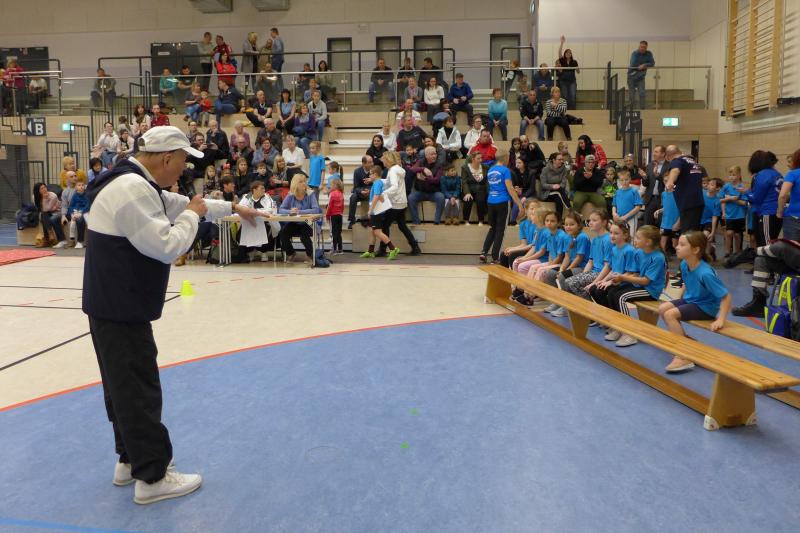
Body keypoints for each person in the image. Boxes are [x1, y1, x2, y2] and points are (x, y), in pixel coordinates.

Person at [82, 126, 260, 504]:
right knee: (138, 390)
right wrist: (193, 216)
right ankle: (153, 476)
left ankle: (130, 460)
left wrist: (233, 208)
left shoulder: (133, 181)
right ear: (166, 158)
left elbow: (181, 204)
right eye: (182, 162)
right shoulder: (132, 190)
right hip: (121, 307)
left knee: (121, 388)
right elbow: (168, 244)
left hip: (111, 303)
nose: (184, 171)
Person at [658, 231, 731, 372]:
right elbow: (687, 283)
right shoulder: (685, 264)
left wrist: (720, 319)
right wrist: (678, 299)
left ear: (695, 250)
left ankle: (683, 355)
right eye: (678, 244)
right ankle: (688, 343)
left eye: (682, 245)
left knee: (670, 314)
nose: (677, 247)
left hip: (706, 307)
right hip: (691, 300)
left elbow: (726, 297)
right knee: (663, 308)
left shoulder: (705, 273)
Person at [597, 225, 666, 347]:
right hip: (639, 286)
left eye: (638, 238)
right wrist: (617, 279)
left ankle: (629, 333)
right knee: (612, 292)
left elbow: (646, 281)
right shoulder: (639, 252)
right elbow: (636, 272)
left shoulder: (658, 257)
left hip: (650, 290)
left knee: (621, 297)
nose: (635, 239)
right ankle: (618, 327)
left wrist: (623, 278)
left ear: (648, 242)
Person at [557, 209, 613, 311]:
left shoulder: (608, 239)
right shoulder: (595, 239)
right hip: (593, 272)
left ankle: (590, 310)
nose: (590, 223)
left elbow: (607, 266)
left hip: (602, 274)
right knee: (569, 281)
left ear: (604, 222)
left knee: (571, 282)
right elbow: (590, 261)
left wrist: (594, 282)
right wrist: (583, 275)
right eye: (589, 220)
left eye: (594, 220)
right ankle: (576, 308)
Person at [479, 150, 524, 263]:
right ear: (505, 158)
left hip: (491, 201)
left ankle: (483, 252)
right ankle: (495, 257)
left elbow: (497, 186)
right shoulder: (505, 170)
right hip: (503, 202)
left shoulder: (491, 170)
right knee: (500, 230)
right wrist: (519, 204)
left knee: (492, 228)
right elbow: (509, 188)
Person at [278, 173, 320, 262]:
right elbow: (281, 210)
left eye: (304, 181)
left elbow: (316, 210)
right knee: (283, 234)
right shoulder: (290, 195)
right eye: (301, 182)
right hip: (295, 222)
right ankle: (291, 253)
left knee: (304, 236)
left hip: (308, 222)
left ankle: (310, 255)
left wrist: (299, 212)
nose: (304, 183)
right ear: (295, 184)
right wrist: (290, 211)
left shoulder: (310, 194)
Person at [360, 166, 400, 260]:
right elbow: (379, 196)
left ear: (375, 174)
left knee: (377, 232)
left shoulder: (377, 183)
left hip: (376, 211)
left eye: (370, 174)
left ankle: (393, 249)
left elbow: (377, 196)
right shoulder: (377, 182)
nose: (369, 176)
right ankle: (370, 251)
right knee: (372, 231)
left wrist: (370, 210)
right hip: (376, 211)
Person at [746, 150, 783, 246]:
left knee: (766, 245)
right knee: (770, 243)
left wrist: (747, 192)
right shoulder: (777, 173)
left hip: (767, 213)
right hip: (776, 213)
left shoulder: (762, 174)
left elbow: (756, 198)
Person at [664, 145, 705, 234]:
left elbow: (675, 170)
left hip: (688, 202)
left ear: (667, 157)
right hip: (697, 202)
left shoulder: (677, 160)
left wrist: (670, 182)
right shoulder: (692, 162)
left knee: (688, 235)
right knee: (693, 233)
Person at [238, 180, 280, 262]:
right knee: (242, 230)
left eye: (264, 188)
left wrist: (255, 211)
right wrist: (251, 212)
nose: (264, 190)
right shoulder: (246, 197)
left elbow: (270, 210)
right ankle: (250, 250)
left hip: (265, 222)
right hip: (249, 222)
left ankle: (263, 251)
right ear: (254, 190)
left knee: (264, 228)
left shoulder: (267, 197)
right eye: (262, 188)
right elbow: (240, 208)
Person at [408, 146, 445, 225]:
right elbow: (412, 169)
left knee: (441, 197)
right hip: (421, 192)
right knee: (411, 198)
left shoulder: (439, 164)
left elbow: (437, 180)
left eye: (435, 154)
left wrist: (425, 178)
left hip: (433, 192)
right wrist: (423, 169)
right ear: (426, 155)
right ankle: (416, 221)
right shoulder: (420, 162)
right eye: (432, 154)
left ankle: (437, 221)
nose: (434, 156)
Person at [720, 165, 748, 256]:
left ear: (739, 175)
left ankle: (737, 253)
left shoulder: (742, 187)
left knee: (737, 235)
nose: (732, 177)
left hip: (740, 215)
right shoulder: (726, 186)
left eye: (734, 175)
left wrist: (733, 199)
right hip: (729, 215)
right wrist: (724, 211)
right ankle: (727, 252)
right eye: (730, 175)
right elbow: (720, 200)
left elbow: (744, 202)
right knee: (729, 233)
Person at [640, 145, 668, 226]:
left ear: (663, 154)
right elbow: (646, 184)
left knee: (661, 223)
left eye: (656, 152)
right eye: (654, 152)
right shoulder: (650, 165)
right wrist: (644, 177)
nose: (653, 154)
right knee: (647, 224)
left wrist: (657, 175)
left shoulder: (669, 166)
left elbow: (667, 182)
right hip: (650, 198)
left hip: (662, 199)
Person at [33, 182, 66, 248]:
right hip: (48, 213)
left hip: (57, 212)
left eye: (45, 187)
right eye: (41, 188)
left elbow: (47, 209)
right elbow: (40, 209)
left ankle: (48, 238)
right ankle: (49, 236)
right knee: (44, 216)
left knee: (44, 215)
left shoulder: (53, 196)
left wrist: (45, 199)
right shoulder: (35, 197)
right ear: (37, 191)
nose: (44, 189)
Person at [538, 152, 571, 217]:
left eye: (562, 159)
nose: (561, 161)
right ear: (554, 160)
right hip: (547, 193)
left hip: (559, 193)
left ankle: (558, 219)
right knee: (559, 192)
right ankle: (570, 208)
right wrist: (552, 186)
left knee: (558, 199)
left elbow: (563, 183)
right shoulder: (545, 169)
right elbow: (543, 184)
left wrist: (558, 187)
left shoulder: (564, 169)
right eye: (559, 159)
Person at [612, 169, 643, 235]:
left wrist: (626, 216)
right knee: (620, 235)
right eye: (622, 180)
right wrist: (614, 213)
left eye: (626, 179)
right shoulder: (617, 192)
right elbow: (614, 205)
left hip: (631, 218)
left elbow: (638, 207)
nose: (624, 182)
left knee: (631, 236)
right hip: (619, 218)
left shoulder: (634, 191)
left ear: (630, 179)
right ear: (619, 181)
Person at [778, 149, 800, 241]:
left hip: (794, 217)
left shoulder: (792, 174)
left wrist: (779, 212)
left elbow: (782, 195)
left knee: (791, 247)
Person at [628, 41, 655, 110]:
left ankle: (642, 110)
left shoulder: (649, 53)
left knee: (642, 93)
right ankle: (631, 110)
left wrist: (644, 65)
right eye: (641, 47)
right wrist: (643, 65)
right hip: (632, 77)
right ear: (639, 46)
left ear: (646, 48)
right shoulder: (635, 53)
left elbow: (652, 63)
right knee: (632, 95)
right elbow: (633, 64)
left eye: (644, 47)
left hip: (641, 77)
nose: (642, 48)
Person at [462, 152, 488, 225]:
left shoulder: (485, 167)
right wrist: (467, 192)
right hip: (469, 187)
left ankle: (481, 220)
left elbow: (487, 181)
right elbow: (464, 181)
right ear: (473, 159)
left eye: (481, 158)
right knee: (468, 199)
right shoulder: (465, 168)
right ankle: (466, 220)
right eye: (478, 158)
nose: (481, 160)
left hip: (481, 188)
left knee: (480, 200)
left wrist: (488, 191)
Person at [701, 178, 723, 260]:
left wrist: (713, 232)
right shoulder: (702, 194)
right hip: (699, 220)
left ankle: (707, 257)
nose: (708, 186)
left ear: (717, 188)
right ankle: (712, 250)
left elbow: (715, 217)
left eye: (712, 185)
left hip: (709, 220)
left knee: (706, 235)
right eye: (708, 184)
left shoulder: (717, 200)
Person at [349, 156, 373, 228]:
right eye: (369, 162)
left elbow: (378, 183)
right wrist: (361, 191)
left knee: (376, 196)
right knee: (353, 197)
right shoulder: (357, 171)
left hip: (372, 191)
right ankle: (352, 220)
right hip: (361, 191)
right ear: (363, 164)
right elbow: (356, 186)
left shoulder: (374, 170)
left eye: (372, 162)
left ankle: (372, 219)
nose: (372, 164)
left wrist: (370, 191)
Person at [555, 36, 579, 110]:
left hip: (572, 81)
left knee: (573, 96)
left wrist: (577, 69)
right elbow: (559, 52)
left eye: (569, 53)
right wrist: (562, 43)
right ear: (565, 54)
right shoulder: (562, 60)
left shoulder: (574, 62)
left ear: (571, 54)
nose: (568, 54)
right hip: (563, 81)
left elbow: (578, 72)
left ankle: (573, 110)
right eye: (567, 53)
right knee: (564, 96)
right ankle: (564, 110)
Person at [656, 188, 680, 258]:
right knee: (662, 245)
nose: (667, 183)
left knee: (675, 245)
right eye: (665, 182)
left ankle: (683, 261)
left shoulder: (678, 193)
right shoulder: (663, 194)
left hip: (675, 224)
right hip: (664, 224)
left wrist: (678, 223)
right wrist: (659, 211)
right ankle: (664, 260)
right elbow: (665, 207)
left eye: (667, 182)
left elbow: (682, 209)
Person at [326, 177, 345, 255]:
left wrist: (327, 215)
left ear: (335, 185)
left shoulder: (332, 194)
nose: (330, 186)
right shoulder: (341, 194)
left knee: (333, 232)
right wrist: (341, 213)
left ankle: (334, 250)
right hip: (340, 215)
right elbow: (342, 206)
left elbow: (329, 206)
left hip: (333, 215)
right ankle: (340, 249)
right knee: (339, 232)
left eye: (331, 185)